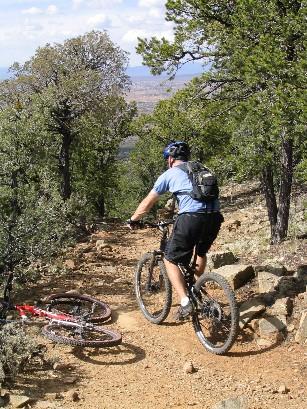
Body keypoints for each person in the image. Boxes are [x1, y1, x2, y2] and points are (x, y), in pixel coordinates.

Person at [127, 141, 224, 321]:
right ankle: (195, 286)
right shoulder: (202, 168)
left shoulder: (169, 174)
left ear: (170, 159)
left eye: (167, 159)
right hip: (214, 217)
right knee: (201, 251)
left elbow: (148, 202)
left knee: (170, 259)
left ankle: (185, 301)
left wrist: (133, 220)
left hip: (190, 218)